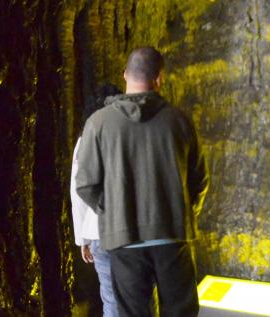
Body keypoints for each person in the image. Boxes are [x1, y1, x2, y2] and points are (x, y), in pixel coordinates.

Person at [75, 47, 209, 317]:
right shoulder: (179, 121)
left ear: (125, 75)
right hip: (172, 235)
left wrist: (113, 212)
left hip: (124, 240)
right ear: (160, 78)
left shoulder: (98, 123)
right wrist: (183, 213)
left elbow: (86, 183)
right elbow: (199, 180)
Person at [70, 83, 122, 317]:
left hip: (98, 230)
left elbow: (78, 191)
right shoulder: (127, 133)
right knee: (140, 297)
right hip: (131, 231)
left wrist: (83, 238)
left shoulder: (84, 140)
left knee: (110, 299)